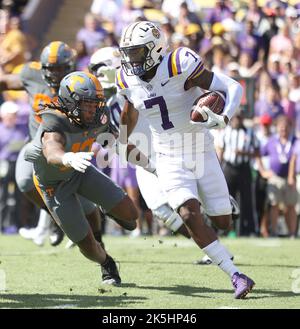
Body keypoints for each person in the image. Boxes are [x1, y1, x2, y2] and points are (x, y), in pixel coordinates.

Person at [117, 21, 255, 298]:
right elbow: (130, 112)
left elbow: (232, 87)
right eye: (128, 53)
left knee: (224, 222)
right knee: (188, 215)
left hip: (200, 149)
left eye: (137, 52)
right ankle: (235, 275)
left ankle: (220, 204)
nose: (131, 60)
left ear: (155, 49)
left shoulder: (180, 62)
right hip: (167, 155)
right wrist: (120, 140)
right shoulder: (126, 78)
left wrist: (224, 116)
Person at [89, 46, 239, 262]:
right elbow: (118, 142)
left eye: (98, 70)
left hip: (172, 148)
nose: (95, 76)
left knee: (195, 204)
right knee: (161, 210)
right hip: (144, 159)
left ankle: (216, 212)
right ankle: (213, 248)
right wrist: (148, 164)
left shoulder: (136, 84)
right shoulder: (109, 102)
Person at [24, 71, 139, 285]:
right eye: (87, 104)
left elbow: (118, 142)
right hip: (53, 185)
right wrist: (67, 157)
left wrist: (151, 166)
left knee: (131, 218)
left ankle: (105, 209)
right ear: (69, 101)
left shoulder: (96, 117)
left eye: (95, 103)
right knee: (87, 245)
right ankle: (107, 264)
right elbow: (51, 151)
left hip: (80, 171)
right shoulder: (53, 119)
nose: (92, 109)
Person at [0, 41, 103, 246]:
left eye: (60, 69)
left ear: (70, 66)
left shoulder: (79, 81)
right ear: (43, 67)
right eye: (51, 69)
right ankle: (57, 218)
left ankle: (98, 239)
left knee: (85, 201)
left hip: (69, 146)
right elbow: (5, 82)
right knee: (23, 181)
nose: (55, 74)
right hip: (36, 144)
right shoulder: (32, 73)